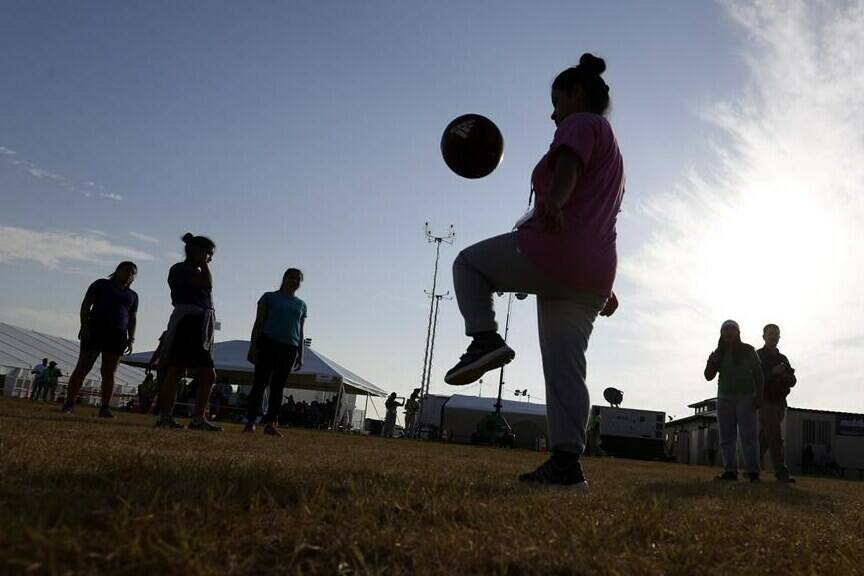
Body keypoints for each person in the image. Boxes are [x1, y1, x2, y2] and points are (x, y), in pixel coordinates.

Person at [443, 53, 622, 489]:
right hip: (593, 273)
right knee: (566, 368)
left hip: (555, 252)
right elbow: (600, 212)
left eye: (555, 100)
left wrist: (556, 200)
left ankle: (484, 338)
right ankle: (566, 464)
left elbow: (568, 170)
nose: (552, 112)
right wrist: (603, 285)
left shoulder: (580, 124)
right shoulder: (613, 147)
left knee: (467, 264)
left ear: (577, 93)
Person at [156, 233, 221, 431]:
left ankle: (198, 418)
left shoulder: (196, 270)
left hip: (202, 322)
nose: (209, 258)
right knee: (176, 369)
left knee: (208, 374)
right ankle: (165, 416)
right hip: (187, 320)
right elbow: (206, 284)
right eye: (208, 253)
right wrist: (204, 263)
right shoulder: (180, 269)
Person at [62, 262, 139, 416]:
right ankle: (69, 402)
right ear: (117, 271)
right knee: (83, 367)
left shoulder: (132, 295)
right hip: (96, 328)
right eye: (127, 271)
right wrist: (84, 326)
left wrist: (131, 338)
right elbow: (86, 305)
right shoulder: (101, 284)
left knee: (109, 371)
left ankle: (105, 407)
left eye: (132, 273)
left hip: (118, 333)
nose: (129, 275)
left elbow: (132, 318)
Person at [244, 268, 306, 436]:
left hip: (289, 347)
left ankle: (271, 423)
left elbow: (300, 330)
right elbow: (259, 323)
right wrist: (253, 346)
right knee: (259, 383)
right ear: (284, 278)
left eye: (298, 279)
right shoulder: (269, 297)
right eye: (292, 278)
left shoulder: (301, 305)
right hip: (268, 342)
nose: (294, 281)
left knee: (278, 387)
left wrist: (301, 353)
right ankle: (250, 422)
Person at [704, 320, 764, 482]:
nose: (728, 332)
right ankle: (730, 471)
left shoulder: (748, 350)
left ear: (738, 332)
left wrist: (759, 396)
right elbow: (708, 376)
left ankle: (753, 472)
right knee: (726, 436)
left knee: (749, 436)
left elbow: (759, 374)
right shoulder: (719, 352)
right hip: (725, 397)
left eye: (731, 329)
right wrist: (711, 361)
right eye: (725, 329)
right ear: (721, 333)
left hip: (746, 397)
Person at [757, 323, 797, 483]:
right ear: (764, 336)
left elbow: (793, 380)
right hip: (765, 401)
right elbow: (754, 377)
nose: (773, 336)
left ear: (779, 337)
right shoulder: (758, 355)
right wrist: (773, 373)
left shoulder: (783, 359)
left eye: (776, 334)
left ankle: (750, 466)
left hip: (780, 403)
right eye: (770, 333)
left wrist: (783, 377)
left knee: (765, 437)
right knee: (775, 436)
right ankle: (781, 473)